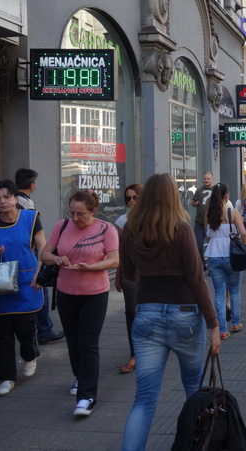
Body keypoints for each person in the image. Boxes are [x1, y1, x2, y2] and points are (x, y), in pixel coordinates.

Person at [120, 174, 220, 451]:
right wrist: (214, 324)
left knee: (144, 399)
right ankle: (199, 445)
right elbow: (197, 278)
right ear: (172, 197)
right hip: (185, 315)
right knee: (193, 390)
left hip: (147, 314)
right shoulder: (182, 228)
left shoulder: (130, 228)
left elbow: (128, 273)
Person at [40, 190, 119, 417]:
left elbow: (114, 259)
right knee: (73, 342)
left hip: (95, 293)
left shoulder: (107, 229)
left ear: (93, 211)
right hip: (66, 292)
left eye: (81, 214)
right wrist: (57, 259)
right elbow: (45, 254)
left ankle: (86, 396)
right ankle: (79, 377)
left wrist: (90, 267)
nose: (75, 218)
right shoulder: (62, 226)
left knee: (88, 342)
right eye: (72, 213)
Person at [0, 180, 45, 397]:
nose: (2, 202)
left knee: (26, 330)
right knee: (3, 334)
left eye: (6, 197)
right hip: (0, 284)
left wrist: (39, 273)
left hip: (27, 281)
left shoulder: (30, 218)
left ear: (16, 198)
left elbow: (43, 247)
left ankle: (30, 355)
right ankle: (7, 377)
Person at [12, 168, 65, 346]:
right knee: (39, 287)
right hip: (29, 250)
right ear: (32, 185)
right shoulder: (24, 203)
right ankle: (45, 330)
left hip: (20, 249)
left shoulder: (17, 200)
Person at [204, 182, 246, 339]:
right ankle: (235, 323)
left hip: (214, 256)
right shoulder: (233, 212)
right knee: (234, 289)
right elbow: (243, 234)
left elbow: (208, 236)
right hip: (232, 255)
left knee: (219, 293)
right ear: (227, 196)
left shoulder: (208, 214)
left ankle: (222, 330)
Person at [114, 183, 143, 374]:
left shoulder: (151, 219)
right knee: (131, 312)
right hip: (129, 273)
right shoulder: (121, 221)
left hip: (150, 273)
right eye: (128, 198)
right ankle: (135, 354)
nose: (131, 201)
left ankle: (150, 348)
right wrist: (118, 275)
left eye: (134, 197)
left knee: (149, 311)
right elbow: (119, 251)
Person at [190, 171, 214, 254]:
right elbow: (193, 202)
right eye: (205, 179)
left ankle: (211, 264)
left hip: (212, 223)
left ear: (212, 179)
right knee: (198, 244)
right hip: (199, 223)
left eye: (208, 179)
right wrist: (194, 203)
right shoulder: (199, 190)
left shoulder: (216, 190)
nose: (206, 180)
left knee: (213, 245)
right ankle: (201, 264)